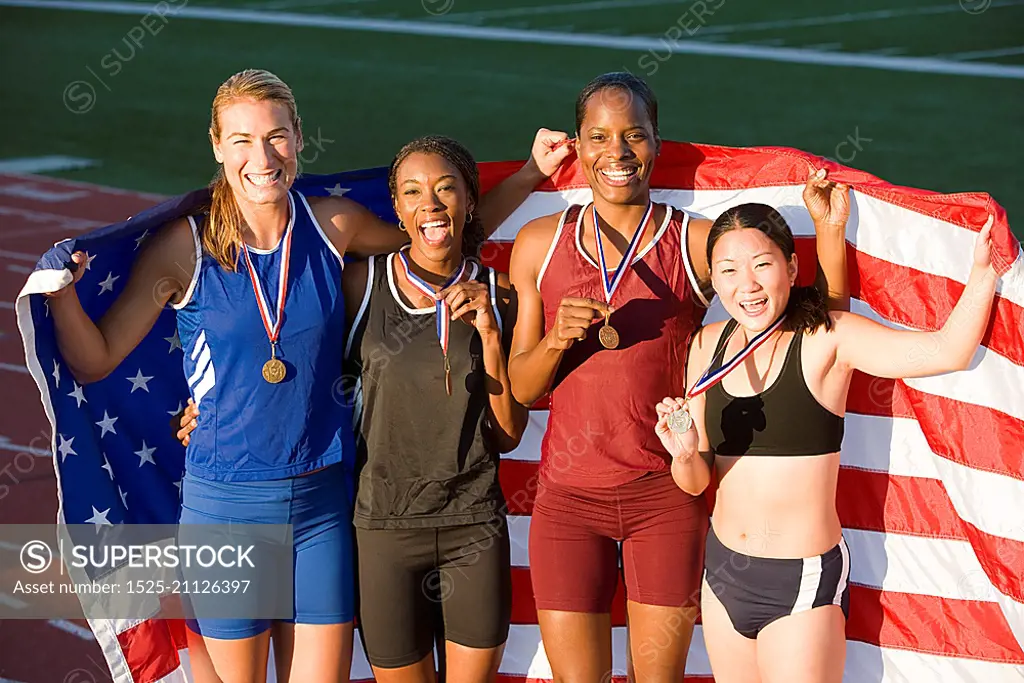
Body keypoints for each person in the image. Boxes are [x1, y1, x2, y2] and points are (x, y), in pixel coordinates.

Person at [48, 68, 569, 683]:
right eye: (241, 140)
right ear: (217, 146)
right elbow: (97, 358)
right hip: (228, 507)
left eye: (275, 136)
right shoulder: (184, 249)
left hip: (322, 506)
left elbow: (439, 239)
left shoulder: (334, 227)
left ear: (298, 138)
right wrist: (62, 293)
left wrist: (534, 173)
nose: (261, 156)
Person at [506, 72, 851, 682]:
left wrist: (827, 233)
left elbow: (813, 327)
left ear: (657, 144)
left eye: (634, 135)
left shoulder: (693, 242)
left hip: (663, 499)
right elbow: (523, 388)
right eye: (600, 137)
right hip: (567, 502)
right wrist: (559, 337)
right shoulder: (538, 243)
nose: (617, 153)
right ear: (579, 147)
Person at [654, 204, 999, 683]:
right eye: (729, 270)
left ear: (792, 267)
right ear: (714, 277)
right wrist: (685, 452)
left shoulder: (828, 338)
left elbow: (946, 351)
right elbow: (693, 484)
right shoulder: (705, 347)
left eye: (762, 264)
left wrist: (984, 273)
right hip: (723, 575)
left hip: (802, 582)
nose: (747, 285)